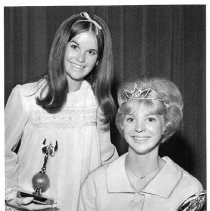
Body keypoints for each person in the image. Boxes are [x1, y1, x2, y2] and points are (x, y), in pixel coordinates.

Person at [5, 12, 118, 211]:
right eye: (74, 47)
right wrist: (10, 195)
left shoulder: (98, 104)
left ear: (98, 60)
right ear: (61, 47)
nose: (81, 58)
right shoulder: (26, 96)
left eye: (91, 52)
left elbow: (107, 161)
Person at [78, 77, 204, 211]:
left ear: (166, 125)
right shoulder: (95, 183)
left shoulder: (188, 188)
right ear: (122, 124)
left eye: (150, 119)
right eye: (131, 119)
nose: (139, 128)